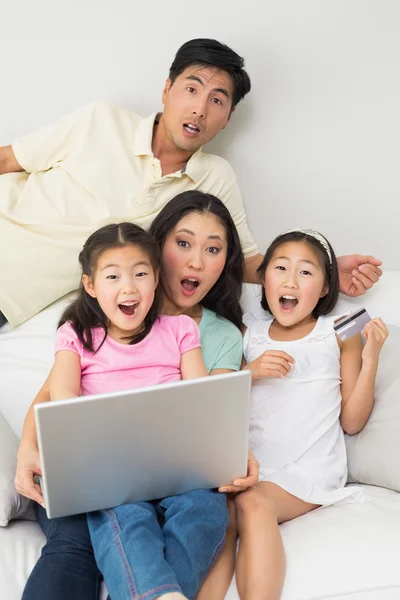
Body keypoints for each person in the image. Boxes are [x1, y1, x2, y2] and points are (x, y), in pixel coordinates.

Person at [0, 38, 382, 329]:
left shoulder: (215, 178)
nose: (200, 108)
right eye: (192, 88)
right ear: (167, 90)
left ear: (228, 117)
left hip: (10, 299)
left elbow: (247, 262)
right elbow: (8, 159)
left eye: (217, 100)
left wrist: (327, 267)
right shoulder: (102, 120)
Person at [16, 191, 258, 600]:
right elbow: (59, 401)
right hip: (105, 470)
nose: (195, 261)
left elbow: (206, 406)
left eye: (212, 249)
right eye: (183, 244)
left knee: (203, 510)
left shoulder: (191, 333)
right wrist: (28, 447)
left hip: (174, 468)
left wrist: (236, 451)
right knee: (102, 526)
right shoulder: (80, 334)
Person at [200, 228, 389, 600]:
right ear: (263, 279)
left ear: (323, 288)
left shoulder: (338, 331)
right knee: (217, 514)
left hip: (309, 469)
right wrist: (248, 372)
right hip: (253, 466)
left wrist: (370, 361)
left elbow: (352, 421)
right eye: (281, 268)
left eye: (306, 272)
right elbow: (218, 405)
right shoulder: (246, 333)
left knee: (252, 503)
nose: (290, 280)